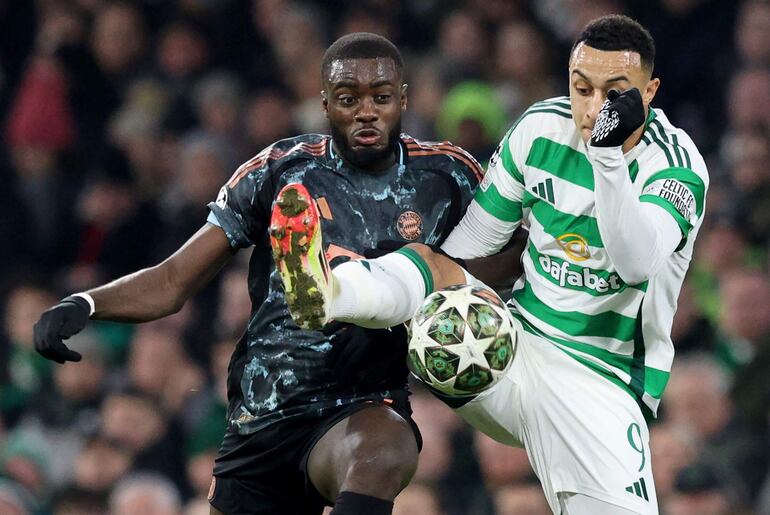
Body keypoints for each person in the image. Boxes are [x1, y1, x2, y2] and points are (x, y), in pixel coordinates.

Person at [30, 32, 507, 515]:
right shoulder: (280, 171)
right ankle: (322, 287)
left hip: (364, 402)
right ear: (324, 104)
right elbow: (174, 282)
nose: (366, 111)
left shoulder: (447, 176)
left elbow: (506, 255)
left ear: (403, 98)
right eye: (348, 99)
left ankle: (337, 291)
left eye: (381, 98)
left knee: (384, 452)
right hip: (264, 412)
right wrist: (85, 302)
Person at [275, 15, 708, 514]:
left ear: (648, 91)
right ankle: (329, 292)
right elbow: (469, 249)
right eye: (581, 88)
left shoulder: (675, 166)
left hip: (602, 379)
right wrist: (413, 292)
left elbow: (636, 264)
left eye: (614, 93)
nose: (592, 109)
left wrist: (608, 158)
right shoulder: (539, 130)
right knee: (433, 266)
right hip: (504, 350)